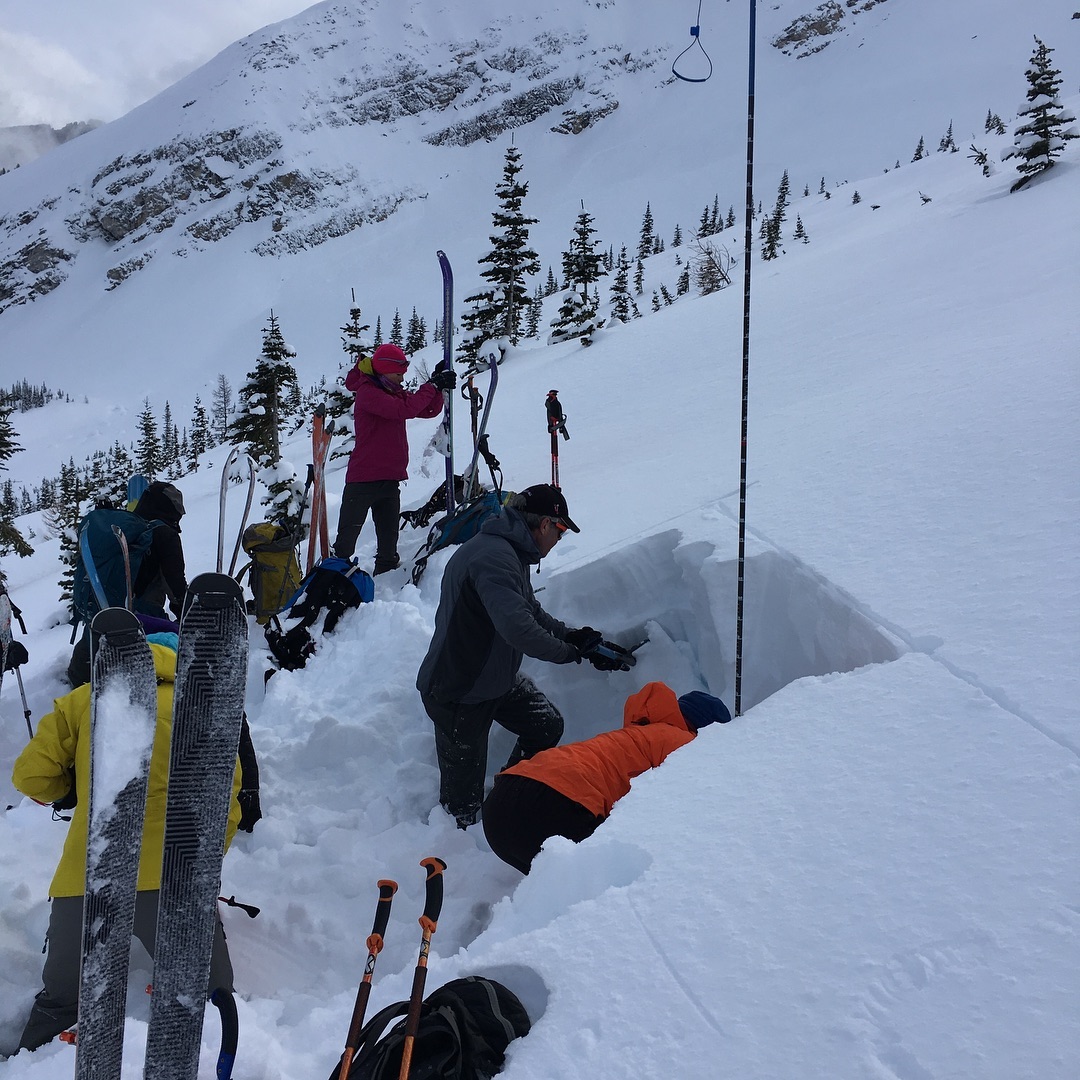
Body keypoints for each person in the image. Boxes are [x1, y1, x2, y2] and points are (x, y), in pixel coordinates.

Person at [12, 631, 243, 1052]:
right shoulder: (204, 704)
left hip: (89, 873)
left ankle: (28, 1064)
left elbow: (30, 777)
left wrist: (70, 788)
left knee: (61, 1001)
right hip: (176, 873)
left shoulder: (84, 700)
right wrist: (206, 861)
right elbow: (226, 799)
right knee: (210, 997)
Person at [416, 482, 623, 830]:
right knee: (460, 811)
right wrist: (570, 653)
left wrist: (574, 636)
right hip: (458, 692)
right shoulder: (494, 558)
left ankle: (506, 793)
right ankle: (458, 857)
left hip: (491, 681)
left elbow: (529, 611)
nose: (559, 541)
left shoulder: (510, 553)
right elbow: (520, 631)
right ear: (544, 524)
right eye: (559, 531)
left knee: (545, 726)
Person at [482, 681, 730, 873]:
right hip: (554, 805)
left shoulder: (638, 736)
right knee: (601, 886)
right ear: (706, 730)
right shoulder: (684, 744)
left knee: (560, 892)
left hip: (500, 807)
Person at [333, 343, 454, 575]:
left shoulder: (391, 391)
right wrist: (432, 386)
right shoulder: (368, 393)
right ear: (384, 370)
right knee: (346, 541)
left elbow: (427, 410)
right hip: (363, 480)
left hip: (389, 478)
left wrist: (437, 387)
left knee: (388, 540)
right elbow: (403, 410)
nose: (402, 378)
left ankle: (385, 577)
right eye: (399, 373)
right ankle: (334, 577)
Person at [66, 480, 189, 687]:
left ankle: (80, 679)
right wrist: (189, 617)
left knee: (94, 645)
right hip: (142, 617)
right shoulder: (164, 534)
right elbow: (176, 587)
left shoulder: (126, 527)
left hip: (99, 616)